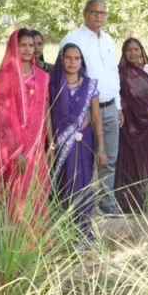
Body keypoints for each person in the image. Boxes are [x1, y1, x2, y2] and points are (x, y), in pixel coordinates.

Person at [60, 0, 122, 215]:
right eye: (94, 12)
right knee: (83, 158)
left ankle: (107, 205)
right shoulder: (73, 38)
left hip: (110, 106)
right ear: (85, 13)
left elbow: (114, 72)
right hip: (83, 111)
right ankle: (81, 208)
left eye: (103, 13)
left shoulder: (108, 40)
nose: (99, 16)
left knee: (109, 158)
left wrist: (119, 105)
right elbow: (64, 74)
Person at [0, 29, 52, 230]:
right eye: (23, 45)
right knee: (17, 194)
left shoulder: (43, 77)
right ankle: (17, 244)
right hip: (15, 150)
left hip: (37, 145)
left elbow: (46, 111)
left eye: (31, 45)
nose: (28, 49)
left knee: (37, 191)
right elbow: (3, 117)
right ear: (14, 47)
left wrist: (50, 142)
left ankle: (39, 242)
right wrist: (16, 152)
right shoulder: (5, 76)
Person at [49, 44, 105, 241]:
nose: (72, 62)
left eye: (77, 58)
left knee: (83, 182)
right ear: (61, 59)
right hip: (61, 142)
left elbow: (96, 116)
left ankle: (82, 230)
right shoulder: (53, 84)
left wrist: (101, 147)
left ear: (82, 61)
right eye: (68, 58)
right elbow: (47, 116)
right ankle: (63, 232)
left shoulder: (89, 86)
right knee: (63, 183)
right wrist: (51, 143)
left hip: (84, 141)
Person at [114, 38, 148, 214]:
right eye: (129, 50)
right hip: (127, 125)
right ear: (123, 52)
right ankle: (124, 203)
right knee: (126, 162)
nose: (133, 53)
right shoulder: (119, 72)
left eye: (136, 49)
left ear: (142, 51)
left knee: (144, 162)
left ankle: (141, 202)